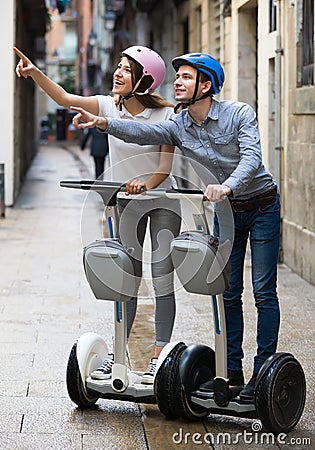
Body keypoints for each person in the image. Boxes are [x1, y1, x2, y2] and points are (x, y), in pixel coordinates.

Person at [70, 52, 281, 401]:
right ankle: (231, 373)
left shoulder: (239, 113)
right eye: (177, 76)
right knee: (227, 292)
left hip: (261, 206)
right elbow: (142, 131)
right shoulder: (179, 124)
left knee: (262, 291)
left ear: (206, 85)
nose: (177, 83)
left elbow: (252, 157)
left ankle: (263, 372)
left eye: (185, 77)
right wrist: (102, 123)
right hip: (225, 211)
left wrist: (226, 185)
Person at [14, 45, 182, 384]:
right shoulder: (107, 105)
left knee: (162, 278)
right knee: (127, 280)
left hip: (163, 200)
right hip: (126, 202)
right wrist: (34, 73)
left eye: (126, 69)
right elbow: (63, 97)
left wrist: (145, 183)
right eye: (118, 67)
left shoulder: (168, 115)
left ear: (145, 80)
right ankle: (119, 355)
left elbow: (164, 167)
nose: (117, 73)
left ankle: (158, 355)